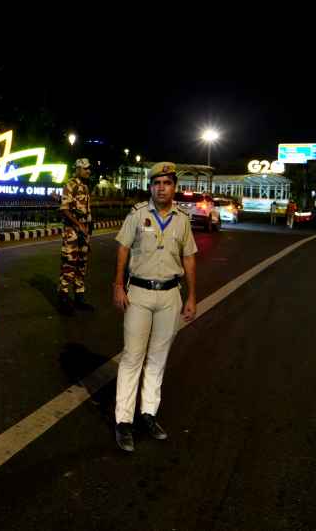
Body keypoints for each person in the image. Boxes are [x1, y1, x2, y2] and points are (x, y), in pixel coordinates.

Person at [112, 161, 197, 452]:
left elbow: (189, 258)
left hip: (170, 294)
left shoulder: (182, 219)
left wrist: (192, 296)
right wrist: (118, 284)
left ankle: (148, 414)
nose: (161, 188)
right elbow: (123, 248)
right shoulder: (137, 215)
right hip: (139, 292)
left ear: (174, 187)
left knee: (158, 359)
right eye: (156, 183)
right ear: (150, 187)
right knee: (132, 357)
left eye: (166, 183)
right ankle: (123, 421)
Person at [59, 158, 94, 314]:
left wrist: (88, 224)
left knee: (82, 265)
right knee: (69, 265)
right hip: (72, 233)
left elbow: (86, 208)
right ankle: (63, 299)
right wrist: (78, 224)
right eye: (86, 169)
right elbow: (64, 209)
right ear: (78, 169)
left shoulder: (85, 187)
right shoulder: (70, 185)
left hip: (84, 232)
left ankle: (79, 298)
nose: (88, 171)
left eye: (89, 168)